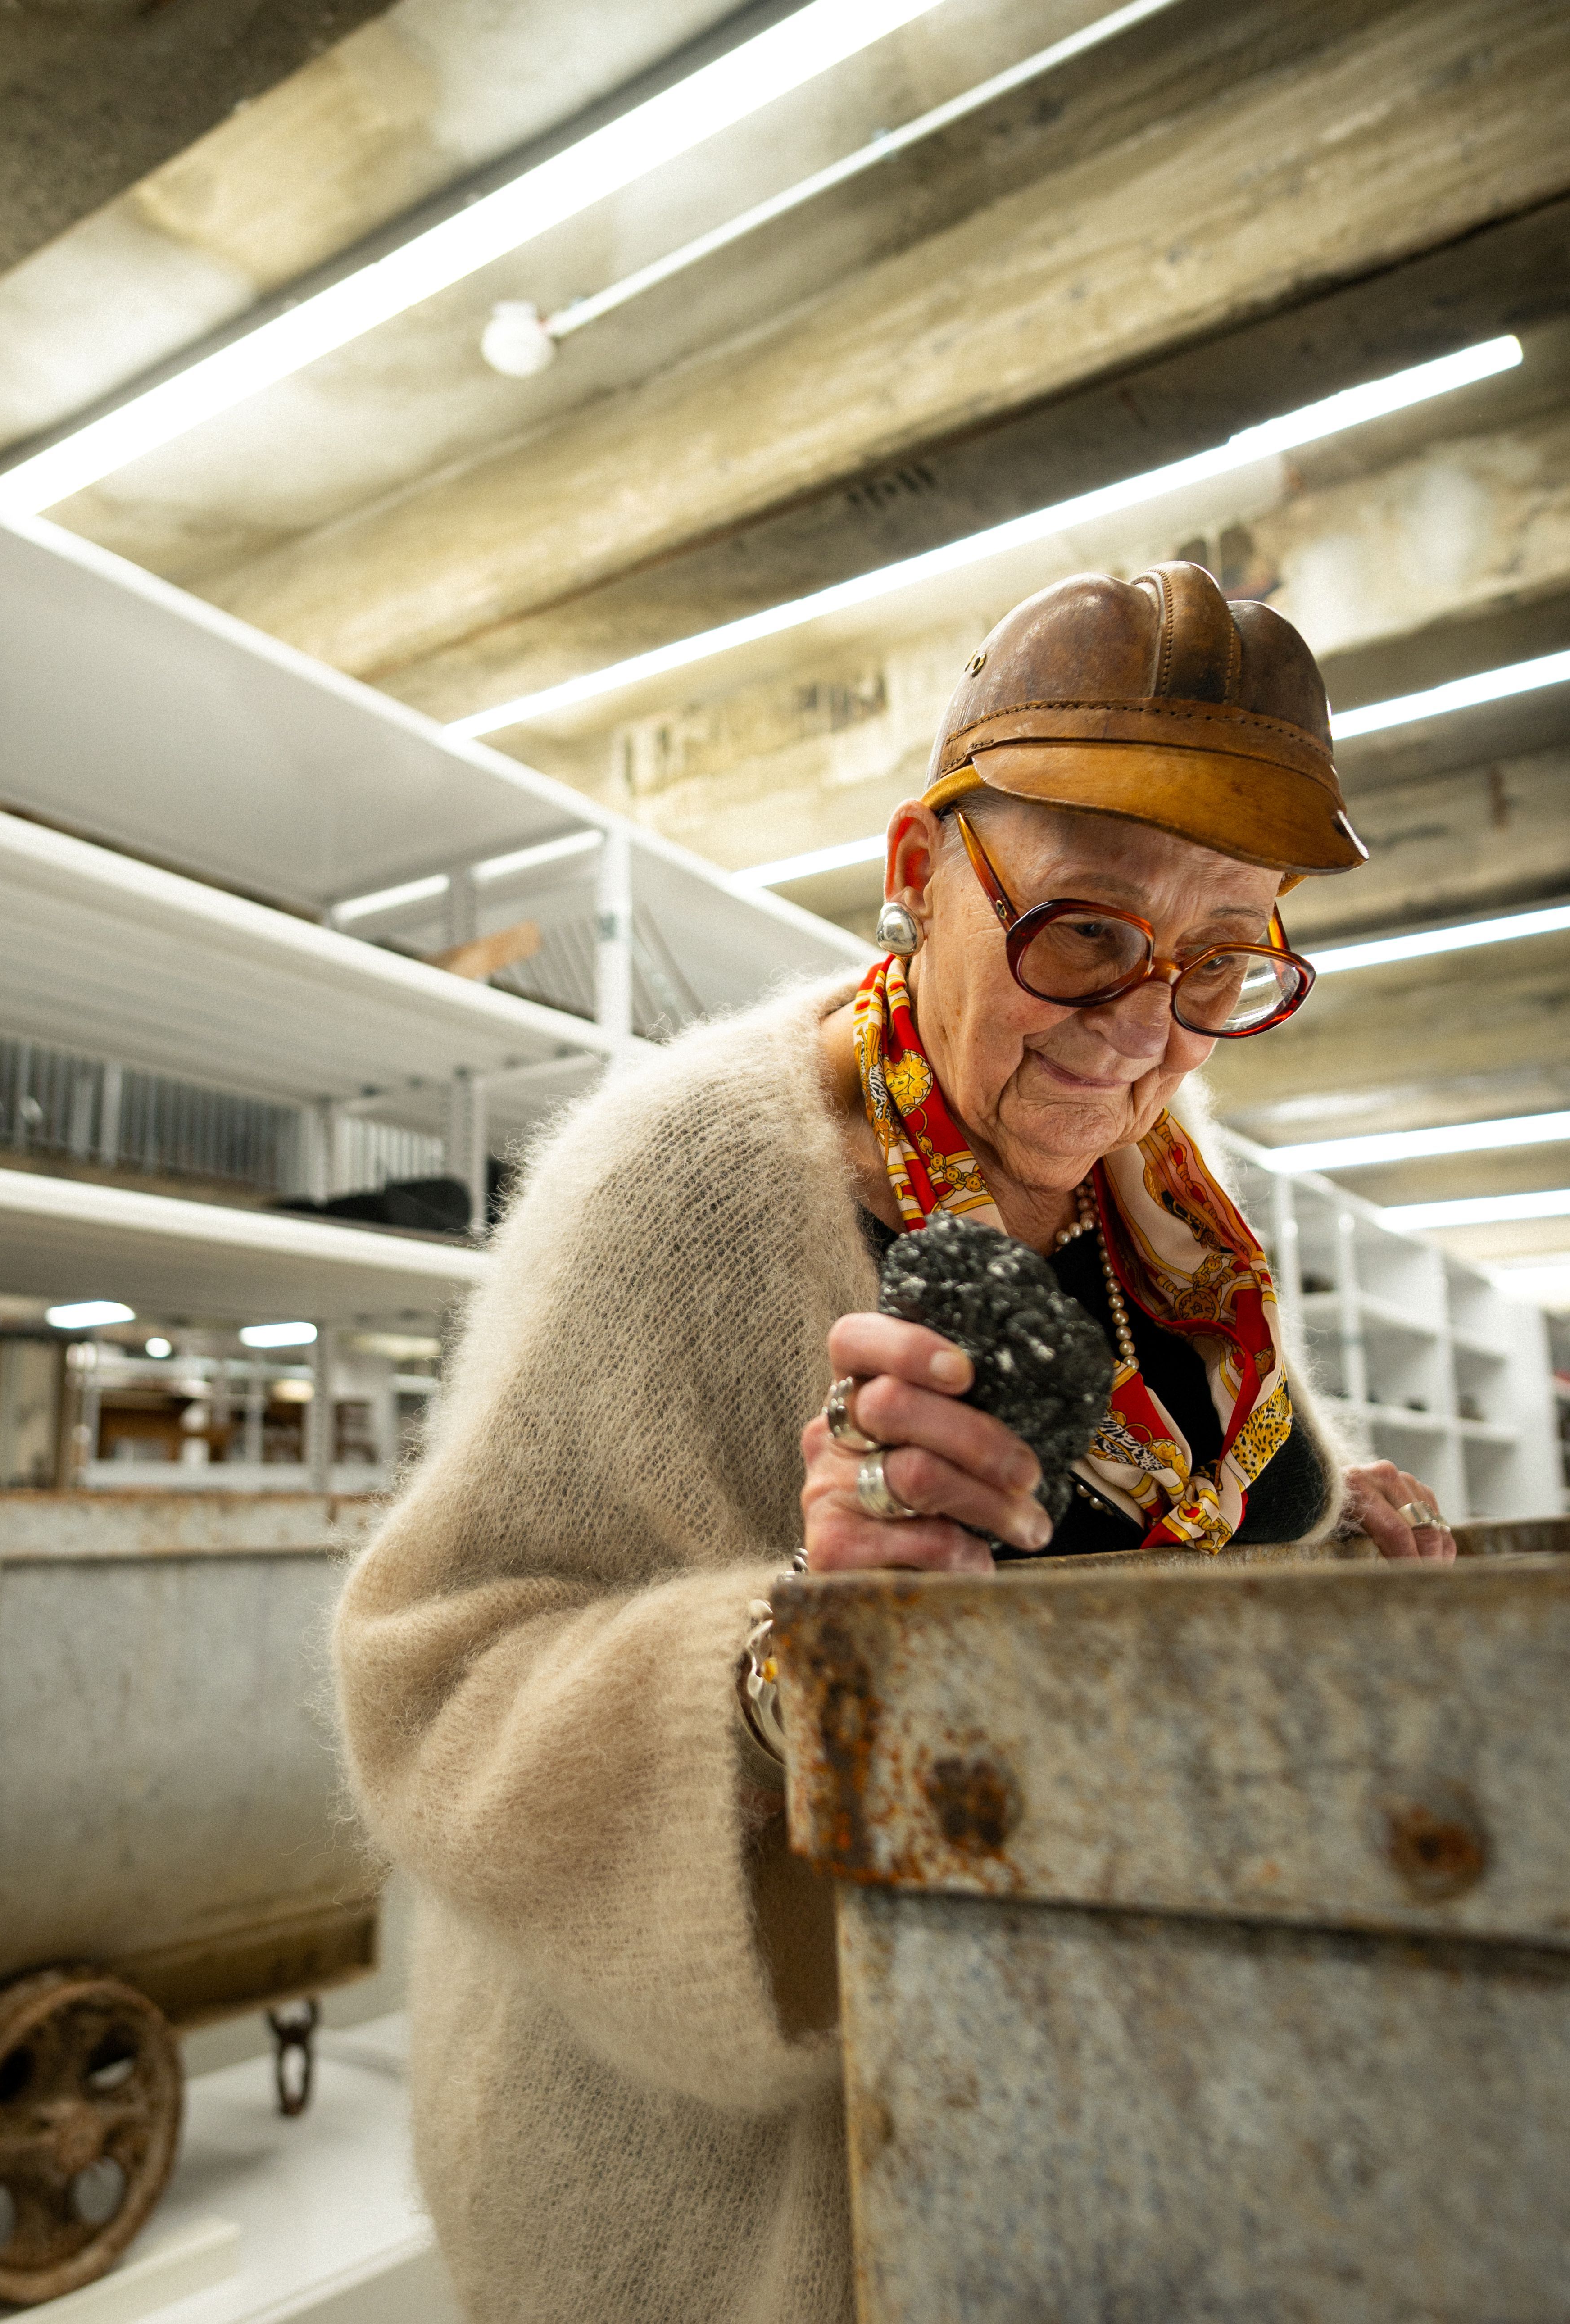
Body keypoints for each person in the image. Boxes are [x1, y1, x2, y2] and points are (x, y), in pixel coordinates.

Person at [334, 563, 1454, 2324]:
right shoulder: (684, 1179)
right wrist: (795, 1657)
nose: (1144, 1031)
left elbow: (1181, 1502)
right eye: (1084, 931)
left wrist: (1314, 1546)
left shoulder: (1172, 1198)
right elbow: (434, 1682)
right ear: (919, 871)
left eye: (1223, 958)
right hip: (782, 2202)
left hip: (1143, 2108)